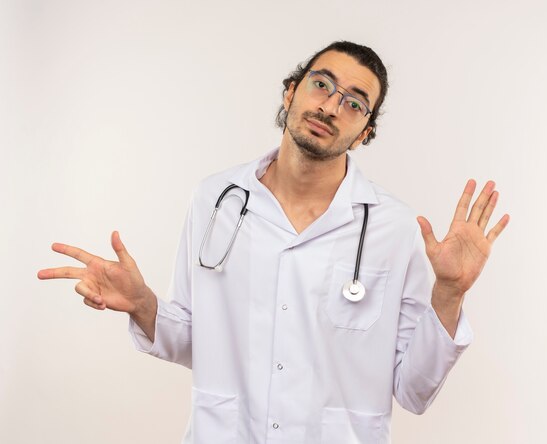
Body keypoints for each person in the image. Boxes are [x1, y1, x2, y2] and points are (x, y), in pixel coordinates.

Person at [38, 41, 509, 443]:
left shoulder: (394, 228)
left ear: (365, 133)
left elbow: (414, 391)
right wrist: (143, 304)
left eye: (354, 102)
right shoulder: (215, 200)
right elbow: (197, 342)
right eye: (321, 84)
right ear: (291, 91)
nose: (330, 106)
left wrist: (449, 294)